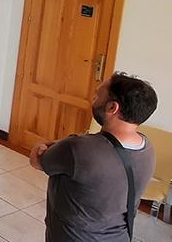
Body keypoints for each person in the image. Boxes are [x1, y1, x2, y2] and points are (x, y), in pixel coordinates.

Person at [30, 72, 157, 242]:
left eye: (98, 94)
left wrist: (41, 145)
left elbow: (38, 161)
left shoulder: (78, 148)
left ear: (112, 108)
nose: (93, 98)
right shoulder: (148, 148)